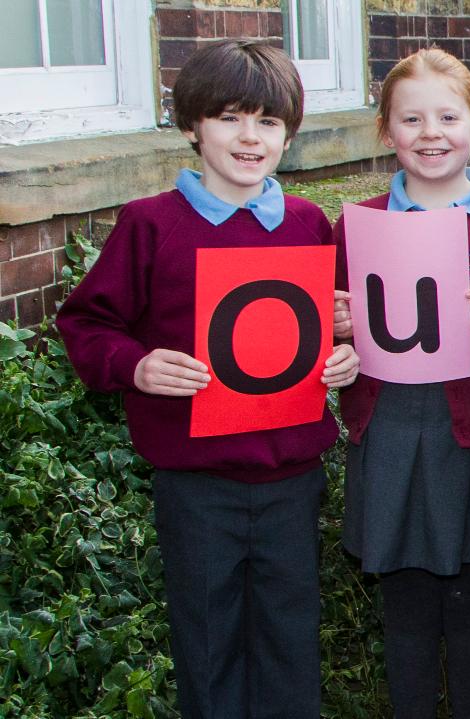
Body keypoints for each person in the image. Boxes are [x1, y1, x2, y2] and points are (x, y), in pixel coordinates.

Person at [54, 39, 358, 716]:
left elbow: (331, 327)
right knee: (210, 652)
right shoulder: (150, 225)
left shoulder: (308, 225)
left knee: (289, 648)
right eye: (229, 117)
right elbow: (86, 325)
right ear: (193, 125)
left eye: (268, 121)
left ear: (288, 133)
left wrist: (345, 354)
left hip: (290, 479)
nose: (250, 137)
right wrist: (136, 363)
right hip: (197, 486)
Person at [329, 47, 470, 719]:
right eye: (412, 118)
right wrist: (338, 322)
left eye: (448, 116)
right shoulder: (357, 222)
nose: (431, 133)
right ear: (387, 130)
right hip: (391, 426)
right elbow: (337, 332)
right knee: (407, 604)